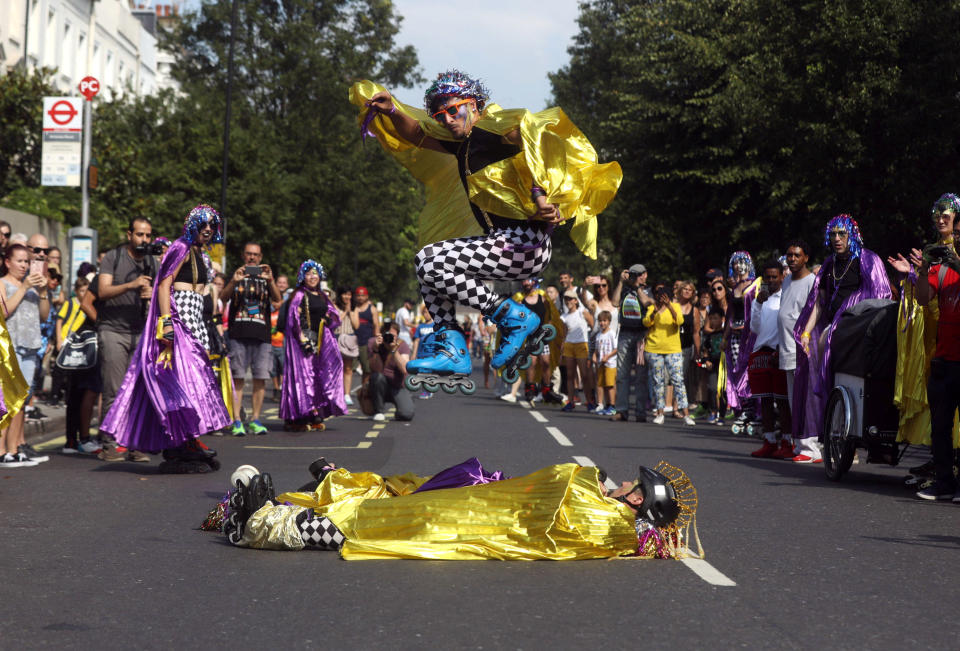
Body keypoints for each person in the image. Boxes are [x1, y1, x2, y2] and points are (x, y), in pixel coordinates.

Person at [353, 70, 621, 393]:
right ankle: (452, 344)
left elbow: (532, 137)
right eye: (441, 114)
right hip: (508, 245)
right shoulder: (463, 145)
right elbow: (418, 136)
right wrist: (393, 110)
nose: (449, 120)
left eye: (455, 110)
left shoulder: (488, 129)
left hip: (524, 243)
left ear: (475, 105)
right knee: (427, 271)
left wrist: (540, 194)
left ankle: (510, 317)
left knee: (428, 258)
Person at [221, 457, 698, 562]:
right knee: (395, 506)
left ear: (638, 500)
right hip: (491, 507)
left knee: (386, 525)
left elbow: (564, 482)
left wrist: (583, 476)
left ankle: (259, 526)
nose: (629, 481)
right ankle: (270, 514)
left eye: (637, 484)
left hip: (483, 522)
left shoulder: (609, 519)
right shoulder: (614, 519)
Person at [100, 205, 231, 473]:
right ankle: (182, 442)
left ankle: (187, 439)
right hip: (178, 320)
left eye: (212, 225)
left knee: (196, 383)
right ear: (192, 224)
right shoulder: (181, 247)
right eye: (203, 224)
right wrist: (166, 323)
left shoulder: (200, 253)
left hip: (195, 322)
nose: (208, 229)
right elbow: (164, 284)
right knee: (182, 384)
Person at [794, 215, 892, 463]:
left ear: (852, 235)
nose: (837, 239)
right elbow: (819, 303)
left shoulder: (867, 260)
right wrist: (806, 331)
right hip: (834, 328)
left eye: (842, 234)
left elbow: (880, 298)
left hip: (859, 328)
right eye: (833, 234)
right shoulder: (829, 265)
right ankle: (836, 428)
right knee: (821, 348)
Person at [890, 194, 960, 499]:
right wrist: (917, 272)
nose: (943, 222)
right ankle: (945, 483)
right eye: (939, 215)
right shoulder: (939, 262)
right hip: (942, 353)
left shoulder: (950, 260)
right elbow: (922, 298)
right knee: (941, 426)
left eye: (951, 218)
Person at [95, 217, 157, 462]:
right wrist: (132, 284)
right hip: (113, 331)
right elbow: (103, 291)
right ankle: (109, 444)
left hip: (140, 332)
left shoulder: (152, 261)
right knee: (113, 390)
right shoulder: (114, 257)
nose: (144, 240)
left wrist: (151, 293)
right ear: (129, 234)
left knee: (137, 393)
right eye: (140, 235)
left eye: (148, 235)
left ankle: (135, 444)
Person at [221, 241, 283, 436]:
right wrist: (233, 281)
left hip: (262, 336)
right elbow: (223, 298)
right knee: (238, 378)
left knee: (260, 379)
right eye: (248, 254)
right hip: (238, 333)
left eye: (255, 255)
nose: (252, 258)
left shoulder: (266, 279)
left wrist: (271, 279)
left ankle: (256, 419)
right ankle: (237, 420)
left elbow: (278, 301)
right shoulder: (237, 275)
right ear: (243, 256)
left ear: (260, 257)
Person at [280, 260, 347, 431]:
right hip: (302, 344)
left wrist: (328, 320)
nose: (312, 277)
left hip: (320, 342)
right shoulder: (299, 295)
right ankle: (299, 414)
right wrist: (304, 341)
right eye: (309, 274)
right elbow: (294, 320)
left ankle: (315, 410)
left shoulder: (323, 295)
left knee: (321, 374)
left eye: (315, 274)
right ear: (303, 276)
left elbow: (333, 315)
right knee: (303, 378)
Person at [0, 243, 50, 466]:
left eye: (26, 262)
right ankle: (2, 450)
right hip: (10, 347)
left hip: (30, 347)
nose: (24, 265)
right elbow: (4, 311)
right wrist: (23, 287)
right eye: (20, 261)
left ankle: (13, 448)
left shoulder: (31, 287)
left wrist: (43, 292)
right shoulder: (3, 283)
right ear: (7, 262)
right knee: (7, 400)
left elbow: (43, 316)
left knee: (21, 401)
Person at [747, 261, 793, 457]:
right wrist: (758, 303)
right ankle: (769, 441)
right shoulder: (759, 299)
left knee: (782, 401)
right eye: (768, 277)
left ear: (782, 276)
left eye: (775, 277)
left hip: (779, 352)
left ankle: (787, 442)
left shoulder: (787, 296)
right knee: (765, 400)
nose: (772, 281)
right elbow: (754, 328)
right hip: (761, 352)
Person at [776, 240, 815, 458]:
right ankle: (800, 445)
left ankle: (811, 448)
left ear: (806, 258)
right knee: (793, 400)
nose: (792, 259)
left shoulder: (812, 281)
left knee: (804, 398)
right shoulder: (787, 281)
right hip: (786, 348)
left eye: (796, 255)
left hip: (802, 348)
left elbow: (814, 314)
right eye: (789, 255)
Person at [56, 276, 102, 455]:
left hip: (81, 346)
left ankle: (74, 440)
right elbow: (61, 319)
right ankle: (78, 439)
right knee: (83, 391)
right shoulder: (74, 302)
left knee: (79, 392)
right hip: (82, 346)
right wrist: (60, 339)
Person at [644, 283, 695, 426]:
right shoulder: (652, 308)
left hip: (673, 350)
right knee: (658, 381)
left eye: (665, 297)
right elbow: (646, 323)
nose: (663, 299)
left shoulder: (676, 307)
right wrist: (655, 311)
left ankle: (686, 414)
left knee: (678, 380)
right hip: (654, 349)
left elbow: (679, 321)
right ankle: (660, 412)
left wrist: (670, 306)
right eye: (660, 297)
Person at [722, 251, 760, 427]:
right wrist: (725, 337)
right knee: (737, 371)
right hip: (735, 337)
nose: (738, 265)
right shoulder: (733, 288)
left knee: (749, 372)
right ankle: (745, 408)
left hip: (750, 336)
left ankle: (753, 409)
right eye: (735, 262)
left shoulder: (754, 285)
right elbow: (730, 315)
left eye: (741, 261)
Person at [366, 320, 414, 422]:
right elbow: (375, 369)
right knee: (377, 377)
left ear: (397, 336)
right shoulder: (373, 343)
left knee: (407, 414)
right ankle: (378, 411)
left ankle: (399, 410)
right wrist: (376, 350)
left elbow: (405, 370)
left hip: (397, 386)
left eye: (392, 335)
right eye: (387, 335)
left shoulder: (402, 345)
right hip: (380, 385)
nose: (389, 338)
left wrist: (394, 350)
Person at [560, 290, 596, 412]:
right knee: (570, 375)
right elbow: (564, 334)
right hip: (569, 345)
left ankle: (590, 401)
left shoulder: (582, 312)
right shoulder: (564, 317)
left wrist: (593, 345)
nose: (568, 301)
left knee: (584, 375)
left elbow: (593, 326)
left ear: (576, 300)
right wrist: (562, 348)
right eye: (566, 299)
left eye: (570, 299)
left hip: (582, 344)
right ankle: (571, 401)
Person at [334, 287, 359, 406]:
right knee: (336, 368)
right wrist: (344, 312)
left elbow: (356, 325)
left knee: (348, 368)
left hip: (349, 338)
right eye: (344, 294)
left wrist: (350, 312)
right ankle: (336, 393)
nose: (347, 297)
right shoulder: (334, 306)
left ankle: (347, 394)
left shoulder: (355, 308)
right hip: (337, 337)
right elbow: (335, 322)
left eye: (349, 295)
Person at [352, 286, 379, 381]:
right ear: (355, 296)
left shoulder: (372, 309)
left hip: (367, 343)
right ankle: (347, 393)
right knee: (349, 370)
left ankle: (364, 392)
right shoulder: (352, 308)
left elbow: (376, 326)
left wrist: (377, 342)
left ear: (367, 296)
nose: (360, 297)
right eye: (358, 295)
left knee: (367, 370)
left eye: (362, 295)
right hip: (352, 342)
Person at [594, 311, 617, 414]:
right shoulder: (598, 335)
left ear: (609, 321)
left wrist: (608, 356)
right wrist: (595, 355)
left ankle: (612, 405)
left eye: (604, 321)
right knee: (602, 384)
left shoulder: (612, 334)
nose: (602, 323)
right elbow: (596, 349)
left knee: (610, 385)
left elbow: (616, 348)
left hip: (610, 363)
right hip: (601, 363)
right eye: (600, 321)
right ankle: (607, 405)